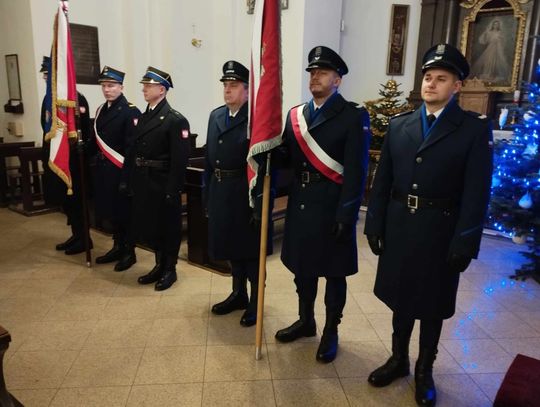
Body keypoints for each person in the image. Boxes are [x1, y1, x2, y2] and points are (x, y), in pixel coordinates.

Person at [364, 44, 493, 406]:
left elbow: (477, 192)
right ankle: (398, 359)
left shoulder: (471, 129)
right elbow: (382, 181)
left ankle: (424, 369)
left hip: (441, 231)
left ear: (457, 86)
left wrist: (465, 241)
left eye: (441, 79)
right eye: (427, 77)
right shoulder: (400, 125)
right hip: (400, 227)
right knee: (401, 296)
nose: (431, 84)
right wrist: (374, 223)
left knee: (432, 303)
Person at [274, 46, 370, 363]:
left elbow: (356, 171)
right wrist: (270, 152)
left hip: (332, 206)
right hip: (302, 204)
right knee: (302, 269)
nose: (315, 77)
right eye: (312, 72)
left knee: (333, 272)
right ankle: (306, 321)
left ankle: (331, 331)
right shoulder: (296, 115)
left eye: (323, 72)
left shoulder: (353, 116)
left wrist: (347, 214)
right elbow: (288, 158)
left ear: (337, 80)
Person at [204, 60, 266, 327]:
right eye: (225, 85)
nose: (227, 90)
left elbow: (264, 167)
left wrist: (260, 204)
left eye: (234, 85)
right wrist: (208, 196)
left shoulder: (257, 120)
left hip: (244, 193)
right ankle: (238, 293)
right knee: (230, 247)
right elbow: (209, 161)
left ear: (247, 90)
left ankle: (255, 302)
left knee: (250, 253)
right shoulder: (216, 116)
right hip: (220, 190)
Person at [125, 67, 190, 291]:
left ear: (161, 90)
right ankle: (158, 265)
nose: (144, 89)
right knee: (152, 226)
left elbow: (180, 160)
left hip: (162, 183)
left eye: (149, 85)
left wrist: (173, 190)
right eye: (144, 85)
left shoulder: (174, 120)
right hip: (145, 181)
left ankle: (170, 269)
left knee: (168, 228)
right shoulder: (144, 117)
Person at [89, 66, 141, 271]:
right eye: (104, 86)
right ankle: (117, 246)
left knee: (124, 214)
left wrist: (127, 178)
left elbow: (132, 149)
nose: (107, 90)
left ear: (121, 87)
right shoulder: (101, 110)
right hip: (104, 170)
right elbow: (97, 141)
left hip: (120, 171)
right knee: (111, 212)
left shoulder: (130, 111)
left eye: (111, 85)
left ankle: (129, 252)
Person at [40, 55, 92, 255]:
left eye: (48, 74)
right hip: (58, 160)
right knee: (66, 202)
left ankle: (84, 239)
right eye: (45, 75)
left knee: (77, 201)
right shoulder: (49, 99)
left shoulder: (75, 99)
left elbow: (83, 130)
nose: (45, 78)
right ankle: (76, 235)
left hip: (73, 161)